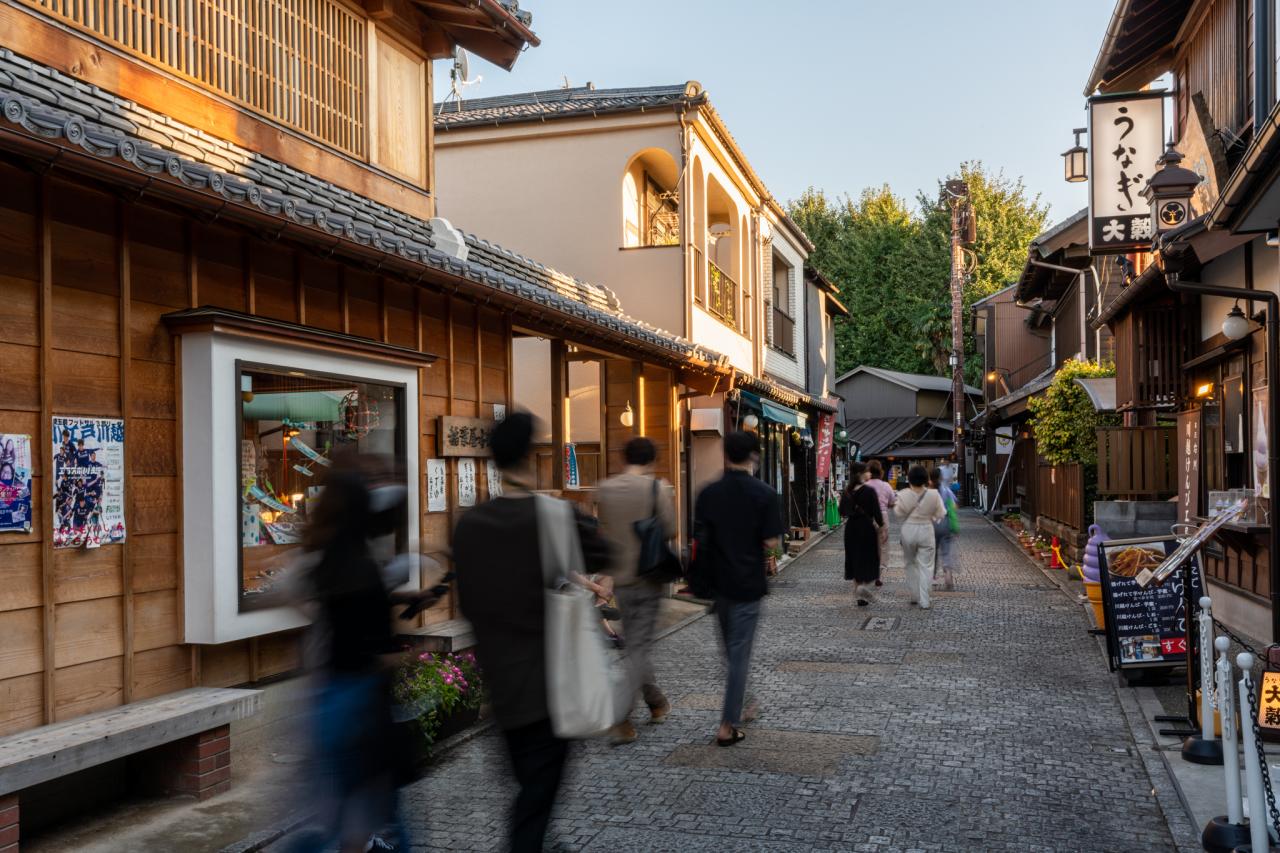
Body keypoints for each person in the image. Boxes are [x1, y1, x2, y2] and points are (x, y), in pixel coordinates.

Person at [453, 413, 612, 853]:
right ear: (531, 455)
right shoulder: (555, 517)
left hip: (501, 686)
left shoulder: (469, 525)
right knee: (537, 797)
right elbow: (605, 552)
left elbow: (468, 604)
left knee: (531, 790)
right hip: (551, 685)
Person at [289, 452, 437, 853]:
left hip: (327, 698)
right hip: (361, 705)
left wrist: (398, 597)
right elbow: (375, 651)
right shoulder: (363, 567)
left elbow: (346, 616)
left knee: (341, 815)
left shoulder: (326, 561)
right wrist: (413, 654)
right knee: (378, 816)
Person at [693, 430, 785, 747]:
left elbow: (699, 537)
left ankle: (746, 702)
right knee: (738, 654)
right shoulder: (764, 493)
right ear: (754, 456)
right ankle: (727, 725)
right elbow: (771, 542)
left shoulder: (708, 493)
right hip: (747, 583)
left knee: (731, 652)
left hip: (717, 583)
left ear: (725, 455)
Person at [597, 436, 675, 744]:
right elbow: (670, 529)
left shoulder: (606, 489)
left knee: (635, 646)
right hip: (649, 578)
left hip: (621, 580)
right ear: (652, 460)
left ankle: (656, 701)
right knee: (639, 649)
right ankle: (620, 718)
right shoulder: (656, 488)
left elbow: (604, 532)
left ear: (623, 458)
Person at [894, 464, 946, 610]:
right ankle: (925, 600)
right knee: (926, 566)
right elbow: (941, 514)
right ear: (925, 479)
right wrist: (931, 516)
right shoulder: (934, 494)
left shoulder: (903, 494)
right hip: (926, 529)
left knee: (910, 563)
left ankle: (914, 595)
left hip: (908, 530)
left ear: (909, 479)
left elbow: (898, 513)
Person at [839, 461, 883, 607]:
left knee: (855, 558)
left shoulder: (847, 491)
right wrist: (882, 527)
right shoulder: (869, 491)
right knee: (868, 557)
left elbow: (842, 511)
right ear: (860, 474)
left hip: (851, 528)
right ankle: (862, 587)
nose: (869, 473)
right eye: (867, 471)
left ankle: (859, 593)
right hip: (866, 527)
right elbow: (877, 513)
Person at [865, 460, 896, 583]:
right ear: (881, 472)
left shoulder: (865, 485)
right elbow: (892, 502)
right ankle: (879, 574)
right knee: (883, 545)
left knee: (869, 545)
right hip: (883, 517)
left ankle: (868, 571)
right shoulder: (886, 486)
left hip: (868, 518)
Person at [929, 467, 958, 591]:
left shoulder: (928, 492)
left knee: (932, 552)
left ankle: (933, 578)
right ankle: (948, 575)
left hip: (931, 524)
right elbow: (954, 506)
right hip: (945, 522)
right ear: (941, 477)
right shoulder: (946, 490)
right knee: (946, 551)